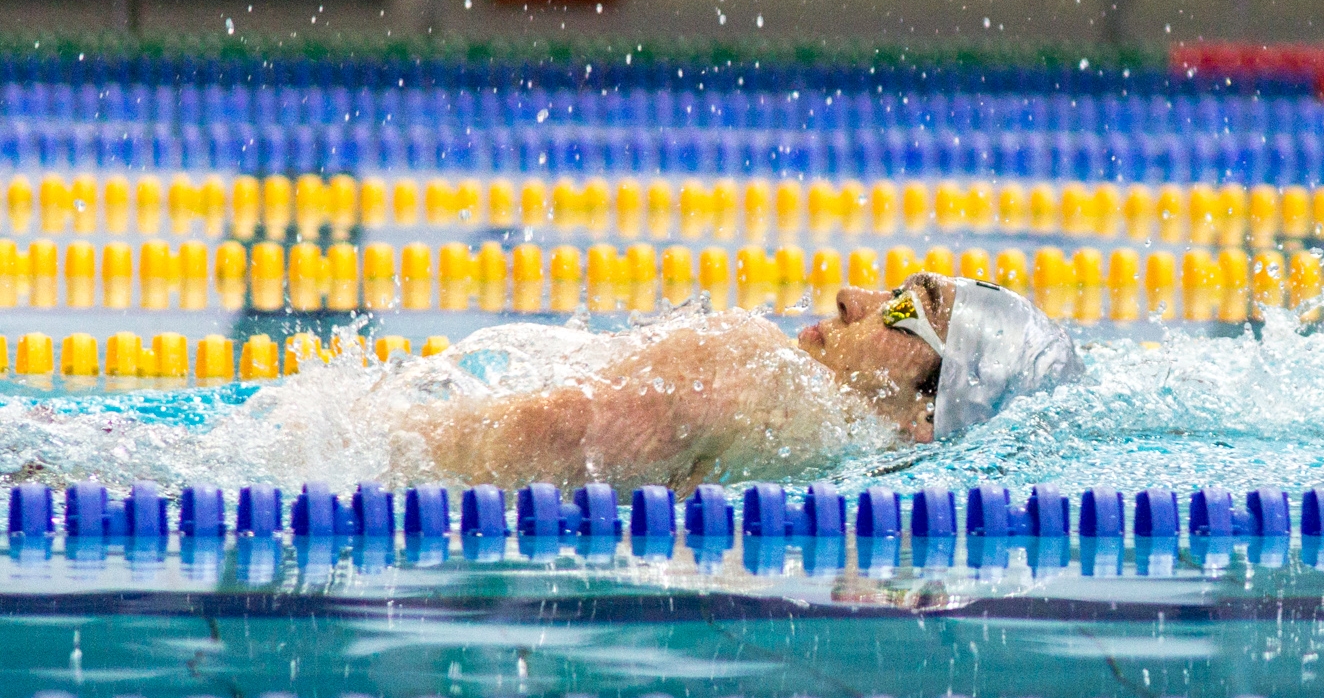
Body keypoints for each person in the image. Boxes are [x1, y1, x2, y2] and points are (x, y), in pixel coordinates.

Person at [387, 272, 1081, 492]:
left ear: (923, 420)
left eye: (905, 309)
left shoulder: (747, 369)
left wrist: (374, 446)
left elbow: (552, 433)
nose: (852, 297)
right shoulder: (824, 469)